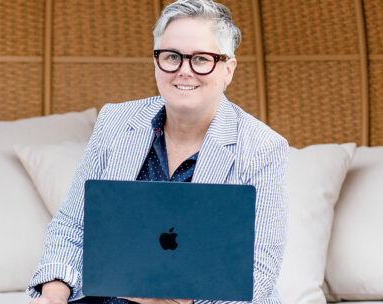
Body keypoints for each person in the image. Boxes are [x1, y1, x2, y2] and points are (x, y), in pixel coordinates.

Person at [27, 0, 288, 303]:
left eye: (202, 59)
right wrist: (52, 297)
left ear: (228, 69)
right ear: (156, 61)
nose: (184, 71)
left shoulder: (263, 148)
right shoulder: (115, 121)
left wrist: (172, 299)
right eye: (172, 56)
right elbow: (72, 225)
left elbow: (259, 268)